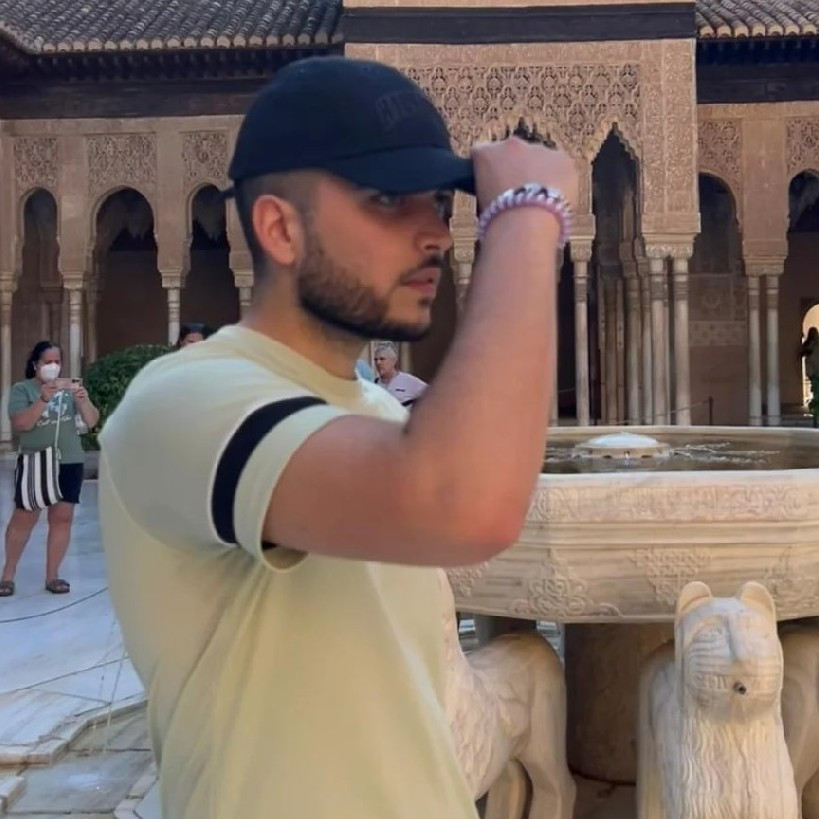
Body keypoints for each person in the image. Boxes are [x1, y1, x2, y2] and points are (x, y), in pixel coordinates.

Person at [98, 55, 575, 819]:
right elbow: (462, 503)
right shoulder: (179, 401)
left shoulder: (381, 413)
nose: (434, 233)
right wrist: (525, 215)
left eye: (438, 202)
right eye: (387, 199)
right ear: (279, 228)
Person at [1, 341, 99, 596]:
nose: (53, 366)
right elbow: (22, 424)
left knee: (62, 518)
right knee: (25, 516)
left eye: (57, 362)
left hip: (69, 460)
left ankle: (52, 575)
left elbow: (91, 421)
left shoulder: (69, 390)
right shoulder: (22, 389)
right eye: (48, 362)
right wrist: (44, 398)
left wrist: (83, 400)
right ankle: (8, 575)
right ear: (36, 364)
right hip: (36, 460)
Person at [374, 340, 427, 406]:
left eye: (382, 359)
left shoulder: (409, 381)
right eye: (376, 359)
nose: (378, 363)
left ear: (394, 360)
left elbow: (432, 394)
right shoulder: (373, 385)